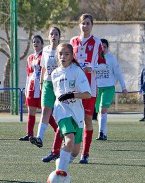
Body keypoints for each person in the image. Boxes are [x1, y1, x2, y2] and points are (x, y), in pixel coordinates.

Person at [70, 13, 106, 164]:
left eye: (88, 23)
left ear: (92, 25)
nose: (85, 26)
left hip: (90, 89)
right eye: (83, 23)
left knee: (87, 120)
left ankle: (85, 153)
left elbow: (103, 63)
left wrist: (93, 68)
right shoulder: (72, 41)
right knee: (73, 120)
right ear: (79, 25)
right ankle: (70, 150)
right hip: (75, 87)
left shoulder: (97, 42)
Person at [51, 43, 91, 171]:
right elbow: (57, 94)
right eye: (60, 54)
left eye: (66, 54)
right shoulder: (55, 74)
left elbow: (87, 95)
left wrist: (72, 95)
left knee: (75, 151)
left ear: (72, 55)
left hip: (77, 113)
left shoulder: (77, 71)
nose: (63, 56)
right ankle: (60, 173)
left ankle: (61, 162)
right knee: (69, 141)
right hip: (61, 111)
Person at [29, 27, 63, 163]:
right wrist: (42, 84)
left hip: (60, 85)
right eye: (51, 34)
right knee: (45, 111)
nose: (53, 36)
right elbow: (43, 68)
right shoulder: (46, 51)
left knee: (60, 115)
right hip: (48, 84)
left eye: (56, 34)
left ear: (59, 36)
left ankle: (62, 143)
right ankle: (39, 138)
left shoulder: (62, 50)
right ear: (48, 36)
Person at [95, 39, 128, 140]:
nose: (103, 49)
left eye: (105, 47)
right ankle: (103, 132)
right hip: (97, 88)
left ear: (107, 48)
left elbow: (118, 73)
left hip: (109, 87)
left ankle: (101, 133)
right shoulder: (95, 58)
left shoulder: (111, 58)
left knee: (103, 109)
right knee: (99, 112)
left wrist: (124, 87)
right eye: (101, 47)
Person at [19, 35, 44, 141]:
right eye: (34, 42)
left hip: (41, 88)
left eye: (38, 41)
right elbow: (29, 74)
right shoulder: (30, 58)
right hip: (31, 88)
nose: (35, 43)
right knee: (30, 111)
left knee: (46, 112)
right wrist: (26, 88)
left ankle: (57, 129)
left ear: (42, 44)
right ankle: (29, 134)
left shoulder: (44, 56)